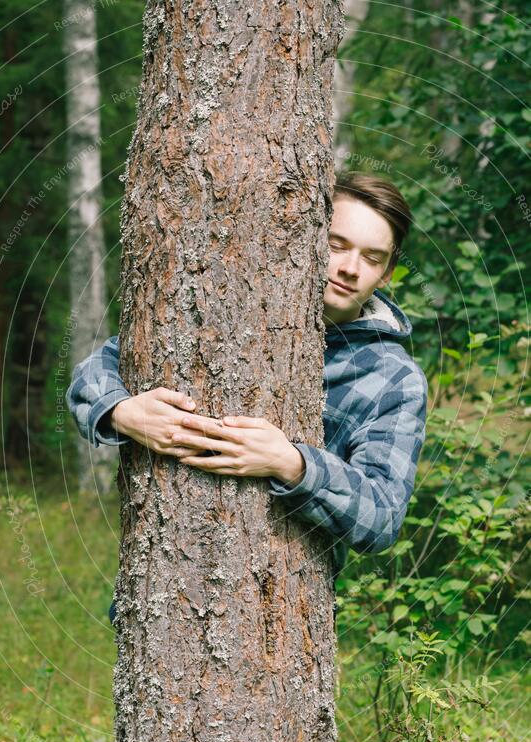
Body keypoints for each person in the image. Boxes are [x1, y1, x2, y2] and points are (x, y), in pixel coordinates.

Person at [66, 172, 428, 625]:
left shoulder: (393, 378)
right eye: (336, 245)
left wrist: (294, 465)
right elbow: (92, 373)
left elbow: (382, 517)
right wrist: (121, 411)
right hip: (162, 595)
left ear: (387, 271)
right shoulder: (230, 302)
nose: (350, 268)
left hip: (279, 621)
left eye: (371, 257)